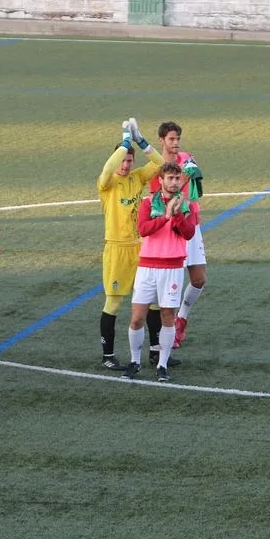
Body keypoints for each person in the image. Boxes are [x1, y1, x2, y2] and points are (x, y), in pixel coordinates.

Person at [96, 118, 164, 370]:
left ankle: (156, 352)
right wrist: (124, 142)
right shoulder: (107, 184)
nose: (125, 165)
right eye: (122, 160)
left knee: (154, 301)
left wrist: (140, 140)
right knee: (113, 302)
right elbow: (106, 170)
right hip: (116, 249)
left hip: (140, 247)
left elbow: (160, 164)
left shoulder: (137, 178)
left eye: (128, 160)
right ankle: (108, 356)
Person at [123, 162, 199, 382]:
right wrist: (165, 216)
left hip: (172, 267)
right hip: (147, 267)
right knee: (137, 318)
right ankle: (135, 361)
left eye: (177, 178)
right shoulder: (149, 203)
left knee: (167, 316)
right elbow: (143, 228)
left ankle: (162, 365)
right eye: (170, 178)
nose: (174, 182)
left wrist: (176, 215)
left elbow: (188, 233)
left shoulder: (187, 206)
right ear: (161, 181)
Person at [148, 121, 206, 348]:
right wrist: (181, 180)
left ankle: (181, 318)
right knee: (168, 285)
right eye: (171, 139)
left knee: (199, 279)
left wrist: (192, 172)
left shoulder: (186, 157)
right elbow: (161, 199)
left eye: (178, 139)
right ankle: (165, 330)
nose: (176, 143)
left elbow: (196, 180)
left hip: (191, 223)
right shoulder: (157, 168)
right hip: (171, 231)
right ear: (161, 140)